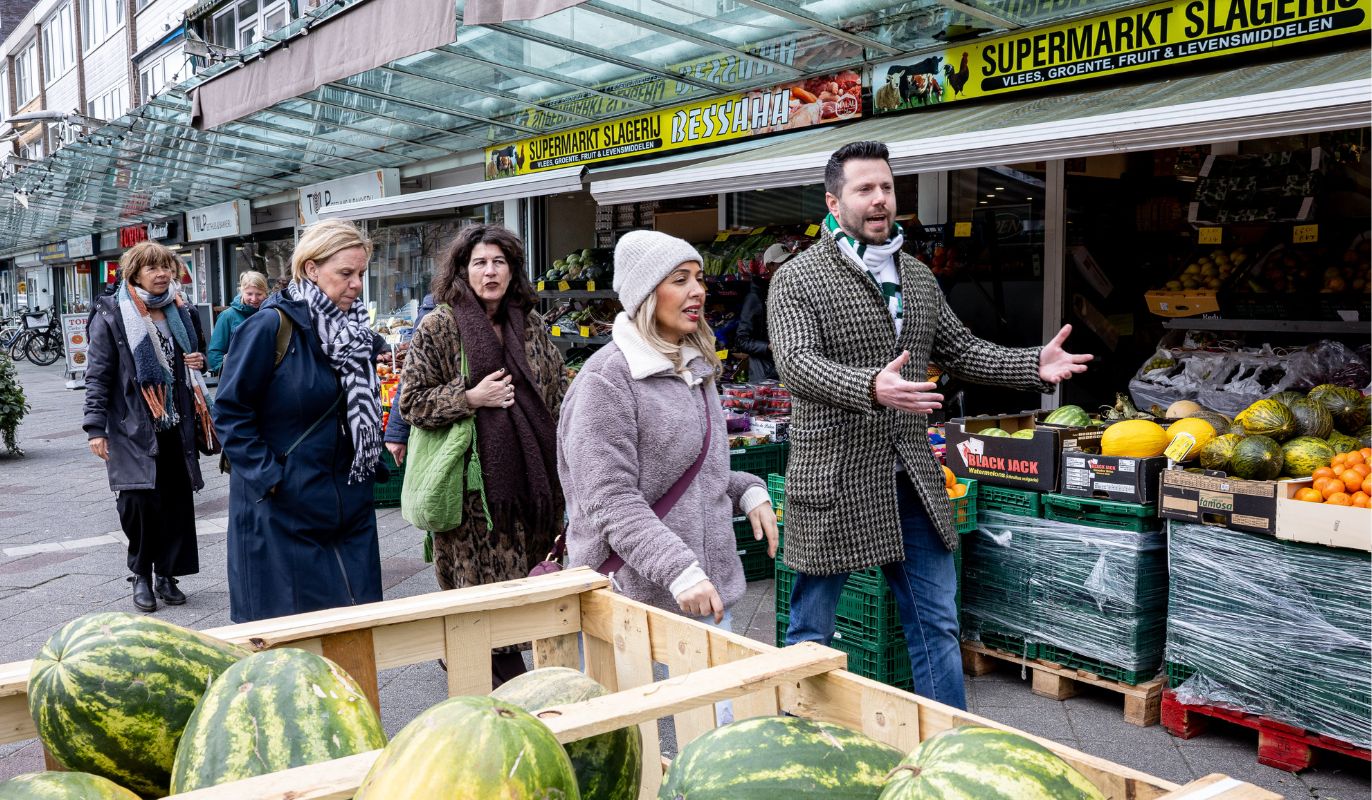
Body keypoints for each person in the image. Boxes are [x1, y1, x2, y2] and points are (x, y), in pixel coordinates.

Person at [767, 141, 1092, 710]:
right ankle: (801, 741)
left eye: (887, 188)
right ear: (833, 200)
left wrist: (1029, 364)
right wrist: (870, 386)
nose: (879, 200)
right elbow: (796, 363)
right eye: (864, 189)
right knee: (810, 632)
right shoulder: (799, 278)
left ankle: (949, 746)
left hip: (912, 476)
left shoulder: (915, 277)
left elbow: (961, 350)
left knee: (936, 624)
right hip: (836, 475)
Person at [558, 230, 779, 630]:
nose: (697, 290)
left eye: (698, 277)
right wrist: (680, 570)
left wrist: (745, 490)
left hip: (708, 598)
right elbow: (609, 499)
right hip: (636, 606)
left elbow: (688, 475)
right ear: (646, 293)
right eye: (680, 279)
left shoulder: (696, 367)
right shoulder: (607, 380)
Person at [398, 224, 566, 686]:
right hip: (471, 495)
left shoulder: (528, 324)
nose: (490, 272)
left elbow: (555, 392)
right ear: (462, 270)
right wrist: (470, 397)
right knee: (481, 609)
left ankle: (475, 669)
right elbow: (411, 402)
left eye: (499, 262)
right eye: (479, 263)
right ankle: (502, 692)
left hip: (530, 489)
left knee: (517, 602)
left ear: (512, 270)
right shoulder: (440, 326)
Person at [213, 220, 387, 623]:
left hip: (348, 505)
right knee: (295, 644)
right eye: (345, 273)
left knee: (356, 629)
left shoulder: (356, 331)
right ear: (311, 269)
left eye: (361, 273)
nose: (357, 284)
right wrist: (272, 478)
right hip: (283, 512)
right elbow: (230, 411)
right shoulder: (269, 327)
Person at [83, 242, 212, 612]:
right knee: (137, 502)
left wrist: (198, 360)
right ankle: (141, 573)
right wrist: (95, 428)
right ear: (134, 272)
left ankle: (166, 575)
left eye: (166, 267)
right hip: (130, 424)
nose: (162, 274)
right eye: (153, 268)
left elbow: (196, 358)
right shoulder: (112, 313)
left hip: (175, 422)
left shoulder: (181, 309)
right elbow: (98, 375)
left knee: (174, 501)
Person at [382, 292, 436, 467]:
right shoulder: (436, 307)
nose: (489, 272)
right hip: (440, 427)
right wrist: (397, 432)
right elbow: (411, 374)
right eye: (480, 262)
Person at [734, 242, 796, 382]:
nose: (788, 266)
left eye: (790, 261)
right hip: (764, 375)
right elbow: (741, 340)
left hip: (786, 373)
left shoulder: (788, 292)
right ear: (769, 267)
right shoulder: (756, 297)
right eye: (783, 263)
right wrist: (768, 347)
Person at [206, 270, 268, 374]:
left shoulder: (271, 315)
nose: (254, 298)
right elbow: (215, 353)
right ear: (241, 291)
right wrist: (231, 374)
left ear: (266, 292)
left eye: (259, 294)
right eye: (249, 294)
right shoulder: (227, 316)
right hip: (238, 378)